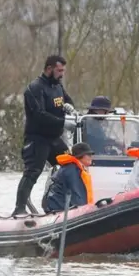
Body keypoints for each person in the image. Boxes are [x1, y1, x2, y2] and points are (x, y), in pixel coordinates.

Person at [13, 54, 75, 216]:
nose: (62, 74)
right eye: (59, 70)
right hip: (37, 139)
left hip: (55, 139)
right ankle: (19, 208)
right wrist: (63, 123)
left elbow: (69, 101)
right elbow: (39, 114)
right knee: (33, 172)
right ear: (49, 69)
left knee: (72, 164)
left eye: (63, 71)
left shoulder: (58, 86)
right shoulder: (35, 88)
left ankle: (63, 202)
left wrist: (70, 108)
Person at [42, 142, 94, 213]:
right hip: (59, 209)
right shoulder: (72, 170)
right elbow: (77, 196)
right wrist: (87, 213)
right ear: (80, 155)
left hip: (60, 208)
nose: (91, 157)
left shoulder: (73, 168)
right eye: (89, 154)